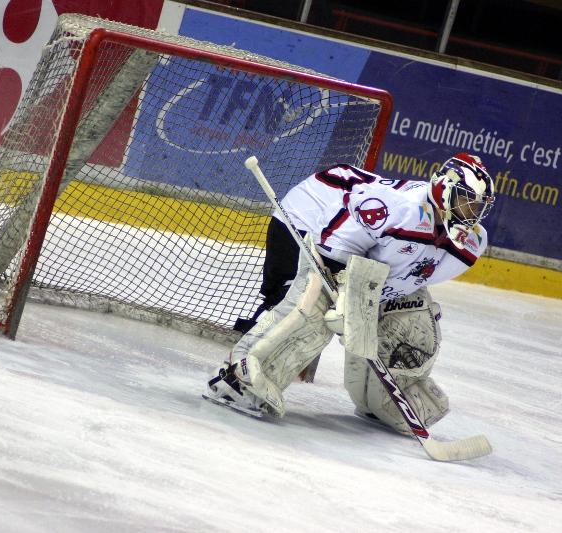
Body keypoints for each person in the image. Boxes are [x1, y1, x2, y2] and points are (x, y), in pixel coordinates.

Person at [205, 153, 495, 435]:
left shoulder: (470, 243)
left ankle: (382, 400)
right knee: (315, 305)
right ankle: (238, 378)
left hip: (355, 243)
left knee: (411, 320)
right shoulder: (398, 210)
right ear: (444, 190)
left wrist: (369, 308)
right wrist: (345, 296)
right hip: (308, 217)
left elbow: (406, 280)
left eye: (478, 207)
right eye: (467, 202)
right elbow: (331, 248)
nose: (473, 213)